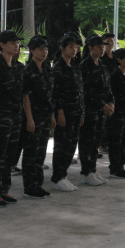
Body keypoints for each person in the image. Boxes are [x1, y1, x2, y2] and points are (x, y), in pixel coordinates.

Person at [0, 30, 24, 206]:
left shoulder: (17, 66)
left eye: (17, 43)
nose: (16, 46)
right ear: (2, 45)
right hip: (0, 119)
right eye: (12, 43)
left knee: (10, 157)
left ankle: (4, 190)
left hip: (14, 118)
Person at [21, 35, 55, 198]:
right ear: (32, 51)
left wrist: (52, 116)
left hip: (45, 115)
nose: (44, 52)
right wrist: (29, 118)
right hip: (34, 116)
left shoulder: (46, 68)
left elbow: (50, 95)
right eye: (41, 49)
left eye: (46, 49)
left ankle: (38, 184)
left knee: (41, 152)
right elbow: (26, 96)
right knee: (31, 153)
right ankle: (29, 186)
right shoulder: (28, 71)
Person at [49, 33, 84, 192]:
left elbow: (80, 91)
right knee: (61, 145)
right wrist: (60, 112)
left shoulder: (75, 66)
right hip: (65, 112)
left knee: (71, 145)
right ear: (62, 49)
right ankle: (57, 177)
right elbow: (56, 93)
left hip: (76, 112)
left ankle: (63, 175)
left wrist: (81, 112)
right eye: (71, 47)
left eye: (76, 47)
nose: (74, 50)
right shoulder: (57, 68)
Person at [79, 35, 114, 186]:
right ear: (91, 48)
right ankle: (87, 172)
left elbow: (108, 86)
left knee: (96, 142)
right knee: (87, 141)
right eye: (99, 47)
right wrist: (102, 104)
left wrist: (111, 102)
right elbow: (87, 90)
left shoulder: (102, 65)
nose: (102, 49)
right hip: (90, 110)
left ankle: (93, 169)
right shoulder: (84, 66)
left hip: (101, 111)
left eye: (103, 47)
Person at [107, 48, 125, 179]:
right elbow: (111, 95)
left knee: (124, 141)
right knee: (116, 142)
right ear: (119, 60)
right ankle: (114, 168)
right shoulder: (114, 76)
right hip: (117, 114)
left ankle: (121, 166)